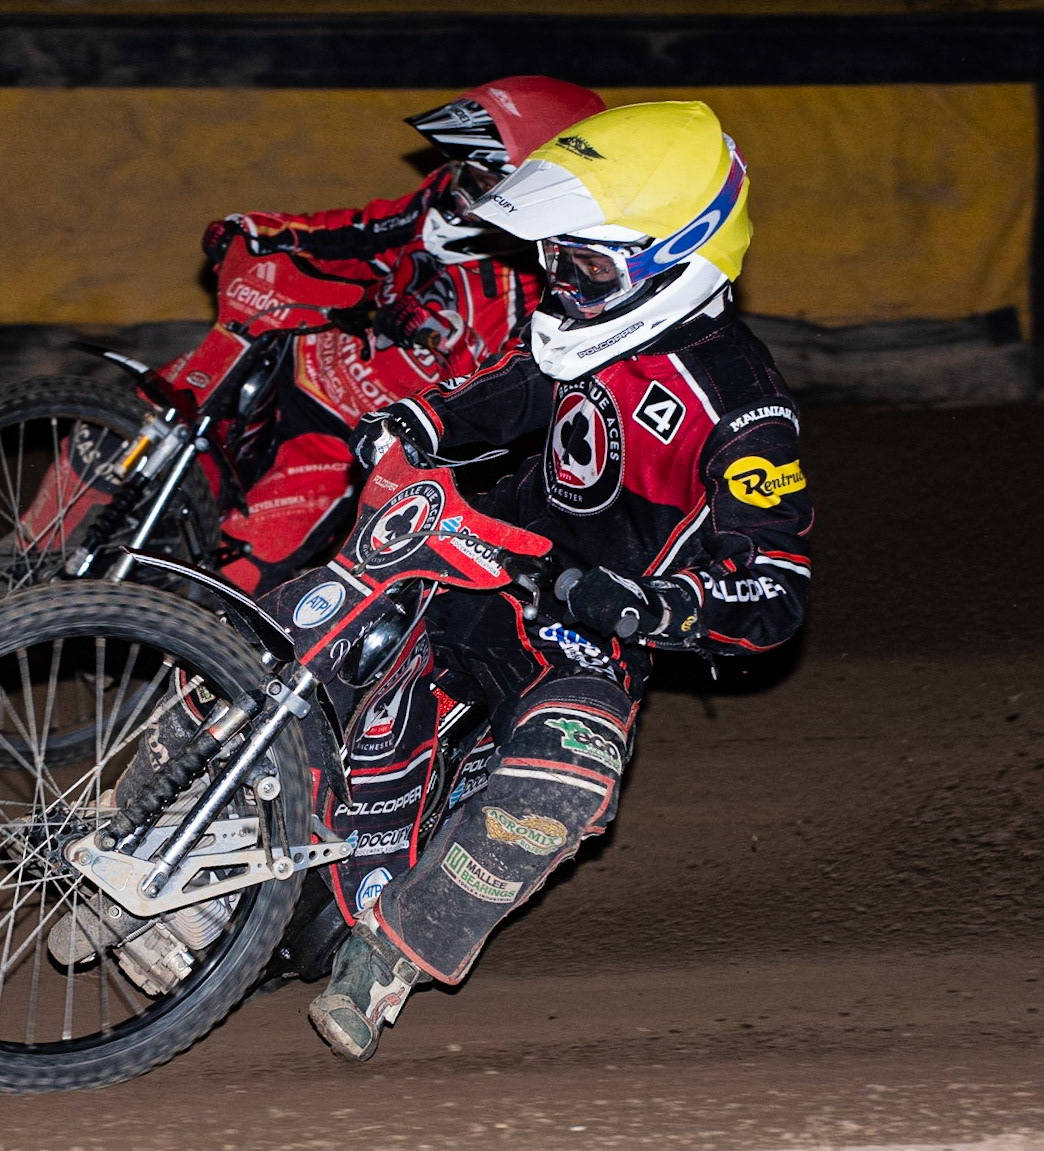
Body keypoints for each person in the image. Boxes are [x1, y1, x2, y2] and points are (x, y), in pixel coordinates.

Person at [307, 100, 813, 1061]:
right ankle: (148, 828)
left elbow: (778, 591)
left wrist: (655, 605)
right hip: (479, 557)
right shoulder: (579, 335)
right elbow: (517, 391)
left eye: (584, 266)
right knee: (307, 619)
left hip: (589, 635)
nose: (560, 285)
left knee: (572, 772)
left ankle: (390, 956)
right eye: (557, 261)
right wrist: (424, 424)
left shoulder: (746, 411)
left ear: (678, 257)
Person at [188, 77, 606, 594]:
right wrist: (259, 230)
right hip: (293, 364)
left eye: (479, 177)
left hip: (344, 440)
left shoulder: (530, 295)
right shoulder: (439, 196)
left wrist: (430, 331)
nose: (457, 187)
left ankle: (183, 650)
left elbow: (481, 408)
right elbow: (360, 230)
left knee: (236, 572)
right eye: (463, 167)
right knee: (154, 425)